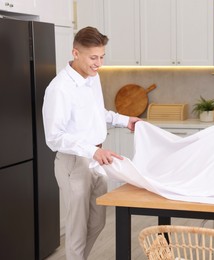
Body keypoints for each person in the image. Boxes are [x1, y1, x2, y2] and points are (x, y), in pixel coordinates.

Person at [42, 26, 141, 260]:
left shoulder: (92, 78)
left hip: (96, 159)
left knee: (97, 222)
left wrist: (124, 120)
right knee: (77, 230)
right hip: (74, 162)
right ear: (76, 53)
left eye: (102, 57)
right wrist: (91, 152)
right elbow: (54, 137)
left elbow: (98, 112)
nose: (99, 63)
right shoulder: (59, 89)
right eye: (93, 57)